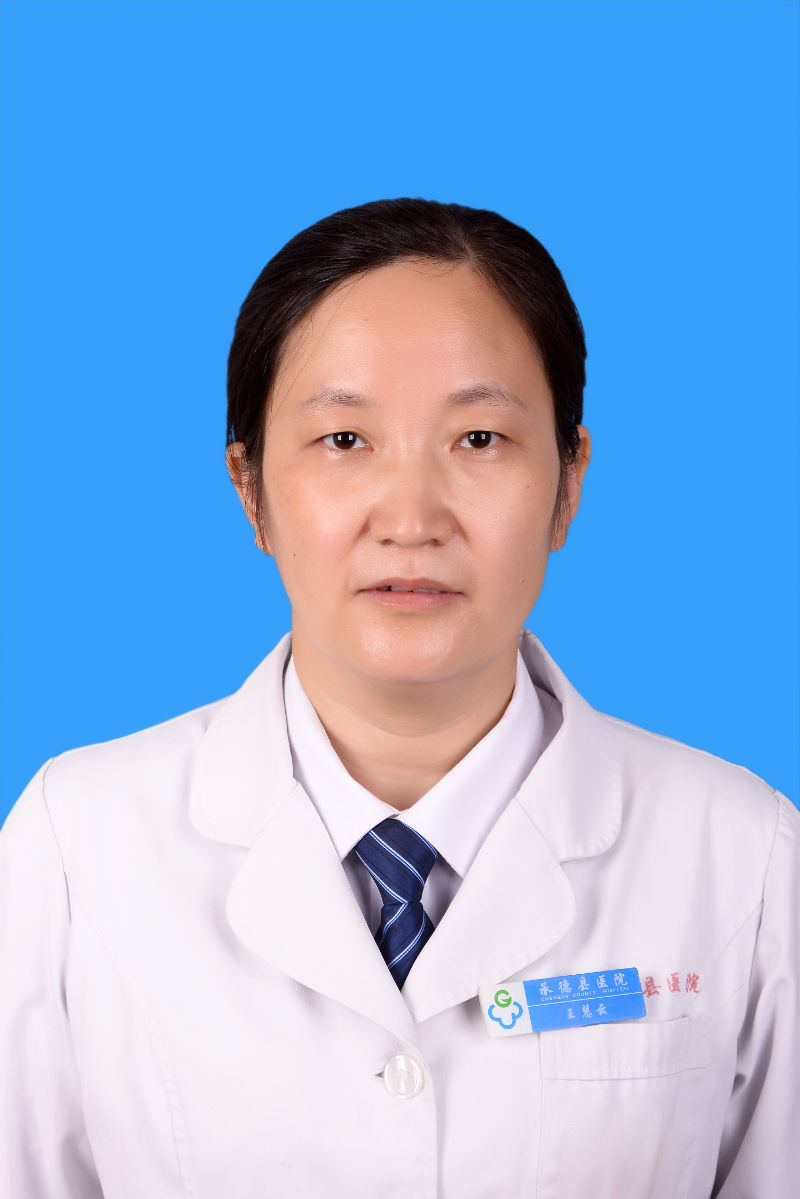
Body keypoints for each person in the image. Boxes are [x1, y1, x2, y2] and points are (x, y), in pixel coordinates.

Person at [0, 199, 797, 1199]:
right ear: (250, 488)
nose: (412, 518)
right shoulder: (77, 846)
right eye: (344, 438)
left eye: (478, 438)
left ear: (567, 483)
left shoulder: (744, 857)